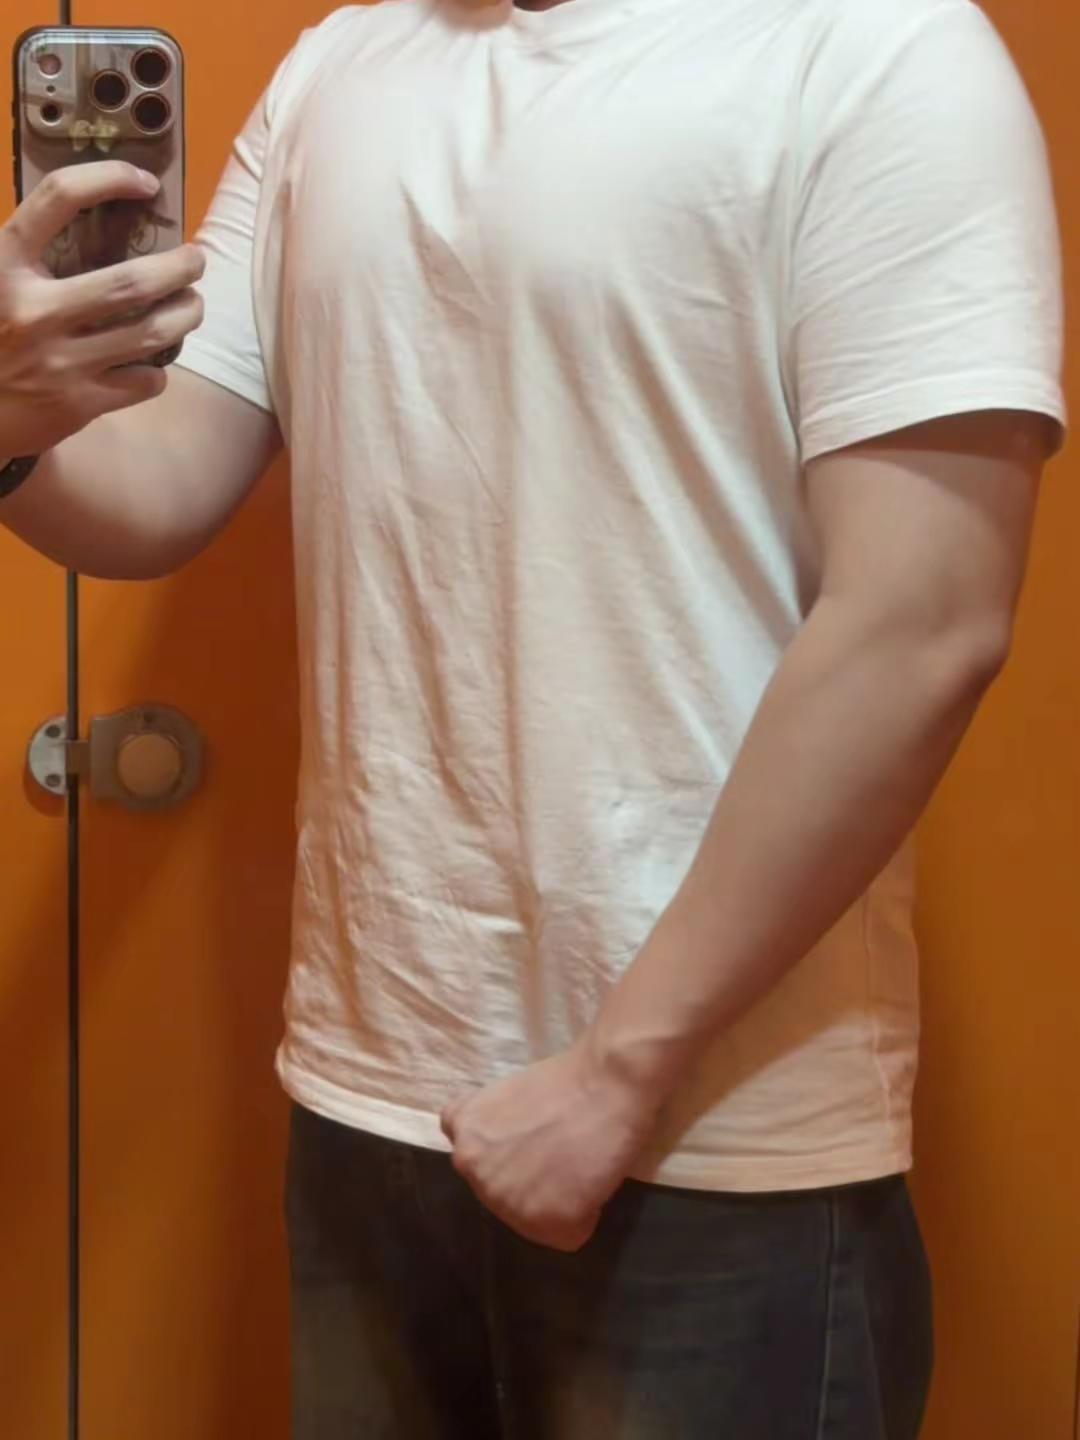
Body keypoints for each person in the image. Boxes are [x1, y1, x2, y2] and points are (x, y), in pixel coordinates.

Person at [0, 0, 1066, 1434]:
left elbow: (923, 622)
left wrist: (624, 1071)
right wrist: (9, 424)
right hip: (373, 1086)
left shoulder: (875, 50)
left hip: (709, 1129)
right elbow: (163, 489)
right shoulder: (339, 67)